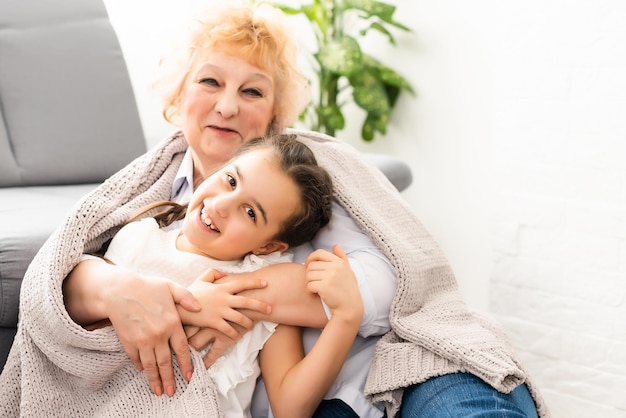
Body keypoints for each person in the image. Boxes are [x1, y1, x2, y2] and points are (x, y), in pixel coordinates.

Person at [0, 3, 549, 418]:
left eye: (253, 92)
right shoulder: (147, 207)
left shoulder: (314, 179)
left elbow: (399, 281)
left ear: (277, 114)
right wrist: (127, 290)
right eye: (210, 81)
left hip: (396, 365)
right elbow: (60, 277)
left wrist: (208, 303)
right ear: (177, 95)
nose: (228, 104)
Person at [90, 134, 361, 417]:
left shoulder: (263, 291)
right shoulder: (139, 240)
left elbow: (291, 409)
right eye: (231, 181)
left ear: (268, 246)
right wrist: (186, 307)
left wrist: (346, 318)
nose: (221, 205)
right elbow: (92, 335)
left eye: (250, 212)